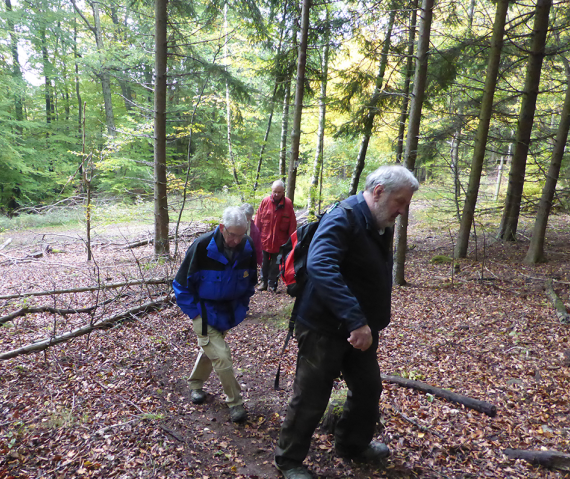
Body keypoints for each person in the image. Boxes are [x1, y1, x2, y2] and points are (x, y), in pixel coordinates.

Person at [273, 165, 419, 479]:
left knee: (368, 389)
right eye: (400, 201)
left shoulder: (379, 223)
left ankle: (352, 445)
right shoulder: (343, 217)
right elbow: (320, 265)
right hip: (323, 327)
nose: (403, 210)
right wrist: (355, 320)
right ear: (379, 192)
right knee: (311, 396)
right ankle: (289, 460)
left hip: (360, 329)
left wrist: (366, 322)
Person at [173, 207, 257, 423]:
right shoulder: (202, 246)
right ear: (222, 228)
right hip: (203, 312)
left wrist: (242, 306)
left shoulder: (247, 246)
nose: (237, 240)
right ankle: (235, 403)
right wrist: (195, 314)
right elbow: (181, 284)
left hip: (227, 313)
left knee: (211, 350)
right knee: (222, 357)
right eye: (232, 235)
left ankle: (195, 384)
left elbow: (250, 282)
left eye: (241, 235)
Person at [254, 180, 297, 292]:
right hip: (264, 241)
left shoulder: (288, 204)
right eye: (274, 192)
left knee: (276, 265)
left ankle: (272, 284)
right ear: (271, 191)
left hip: (280, 243)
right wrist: (255, 238)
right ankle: (263, 282)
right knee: (263, 263)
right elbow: (257, 221)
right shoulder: (265, 202)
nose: (276, 194)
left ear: (283, 192)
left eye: (279, 192)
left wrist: (291, 242)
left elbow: (292, 224)